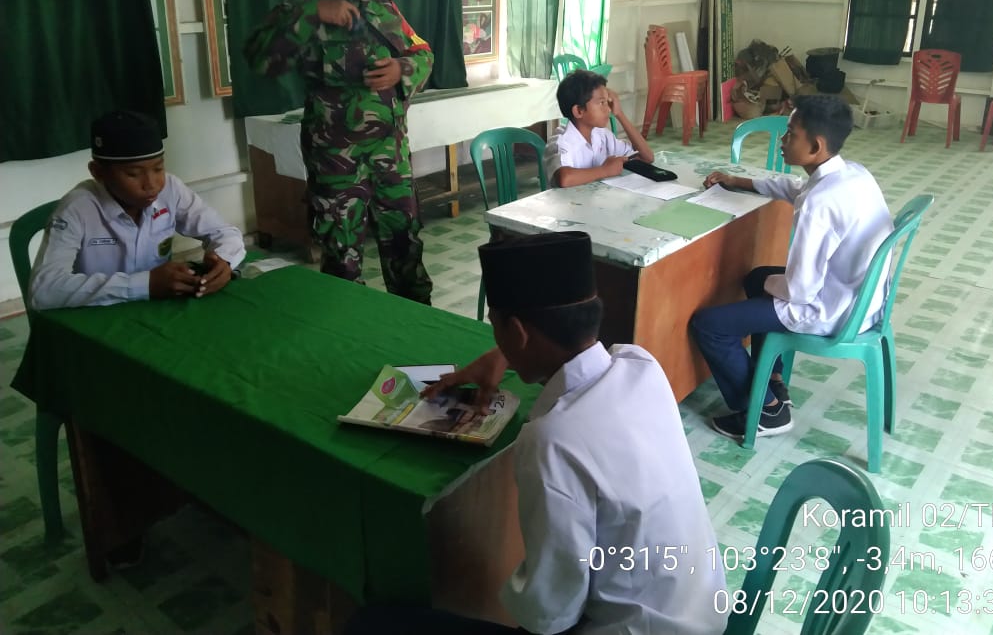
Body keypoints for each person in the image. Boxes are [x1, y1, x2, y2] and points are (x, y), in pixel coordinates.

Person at [349, 232, 726, 635]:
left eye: (496, 328)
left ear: (519, 332)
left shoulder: (552, 439)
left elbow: (552, 611)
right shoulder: (640, 365)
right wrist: (505, 353)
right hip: (700, 608)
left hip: (634, 629)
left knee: (373, 623)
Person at [244, 0, 434, 303]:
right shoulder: (299, 9)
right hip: (336, 161)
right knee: (341, 263)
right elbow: (260, 60)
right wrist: (311, 16)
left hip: (391, 156)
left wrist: (401, 69)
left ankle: (420, 327)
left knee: (405, 249)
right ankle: (347, 329)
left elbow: (423, 53)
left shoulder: (383, 6)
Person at [689, 95, 893, 439]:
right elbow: (796, 188)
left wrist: (772, 284)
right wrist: (739, 181)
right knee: (757, 277)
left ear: (815, 146)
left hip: (832, 311)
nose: (782, 140)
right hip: (864, 300)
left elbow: (800, 291)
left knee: (709, 325)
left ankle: (766, 411)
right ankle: (773, 378)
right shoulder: (853, 174)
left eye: (790, 134)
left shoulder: (819, 203)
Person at [29, 110, 246, 310]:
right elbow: (44, 289)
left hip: (156, 311)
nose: (151, 184)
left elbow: (224, 232)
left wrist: (223, 260)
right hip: (98, 317)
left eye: (158, 168)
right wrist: (145, 284)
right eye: (133, 174)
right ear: (98, 172)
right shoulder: (77, 208)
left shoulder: (171, 189)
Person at [544, 69, 654, 188]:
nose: (608, 109)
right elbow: (565, 179)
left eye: (607, 102)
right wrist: (605, 170)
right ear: (579, 111)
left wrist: (619, 114)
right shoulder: (561, 142)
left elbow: (647, 157)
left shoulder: (602, 135)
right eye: (602, 103)